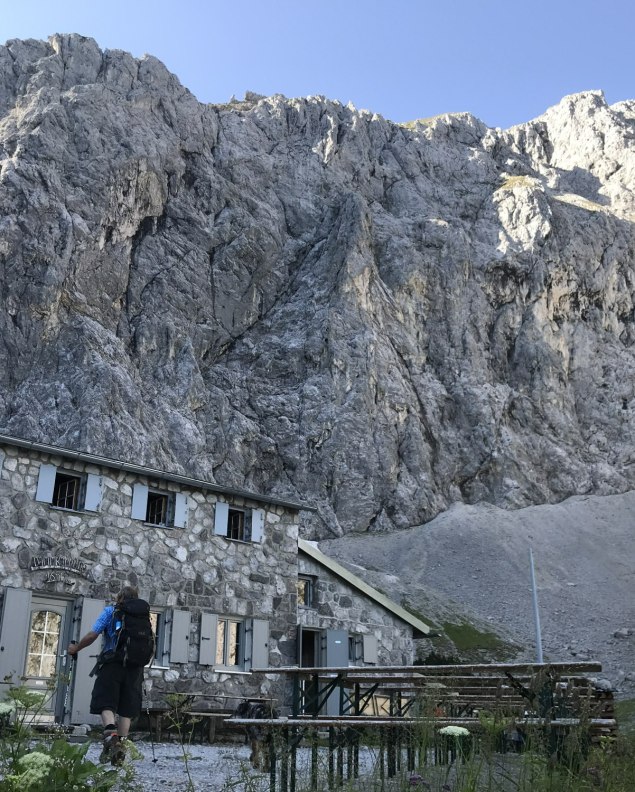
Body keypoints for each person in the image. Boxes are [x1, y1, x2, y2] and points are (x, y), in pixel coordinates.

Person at [68, 585, 145, 766]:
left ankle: (111, 736)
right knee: (126, 708)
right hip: (135, 668)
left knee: (105, 701)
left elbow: (92, 634)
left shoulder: (111, 612)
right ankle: (120, 749)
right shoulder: (143, 617)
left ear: (119, 597)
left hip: (112, 663)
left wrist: (76, 648)